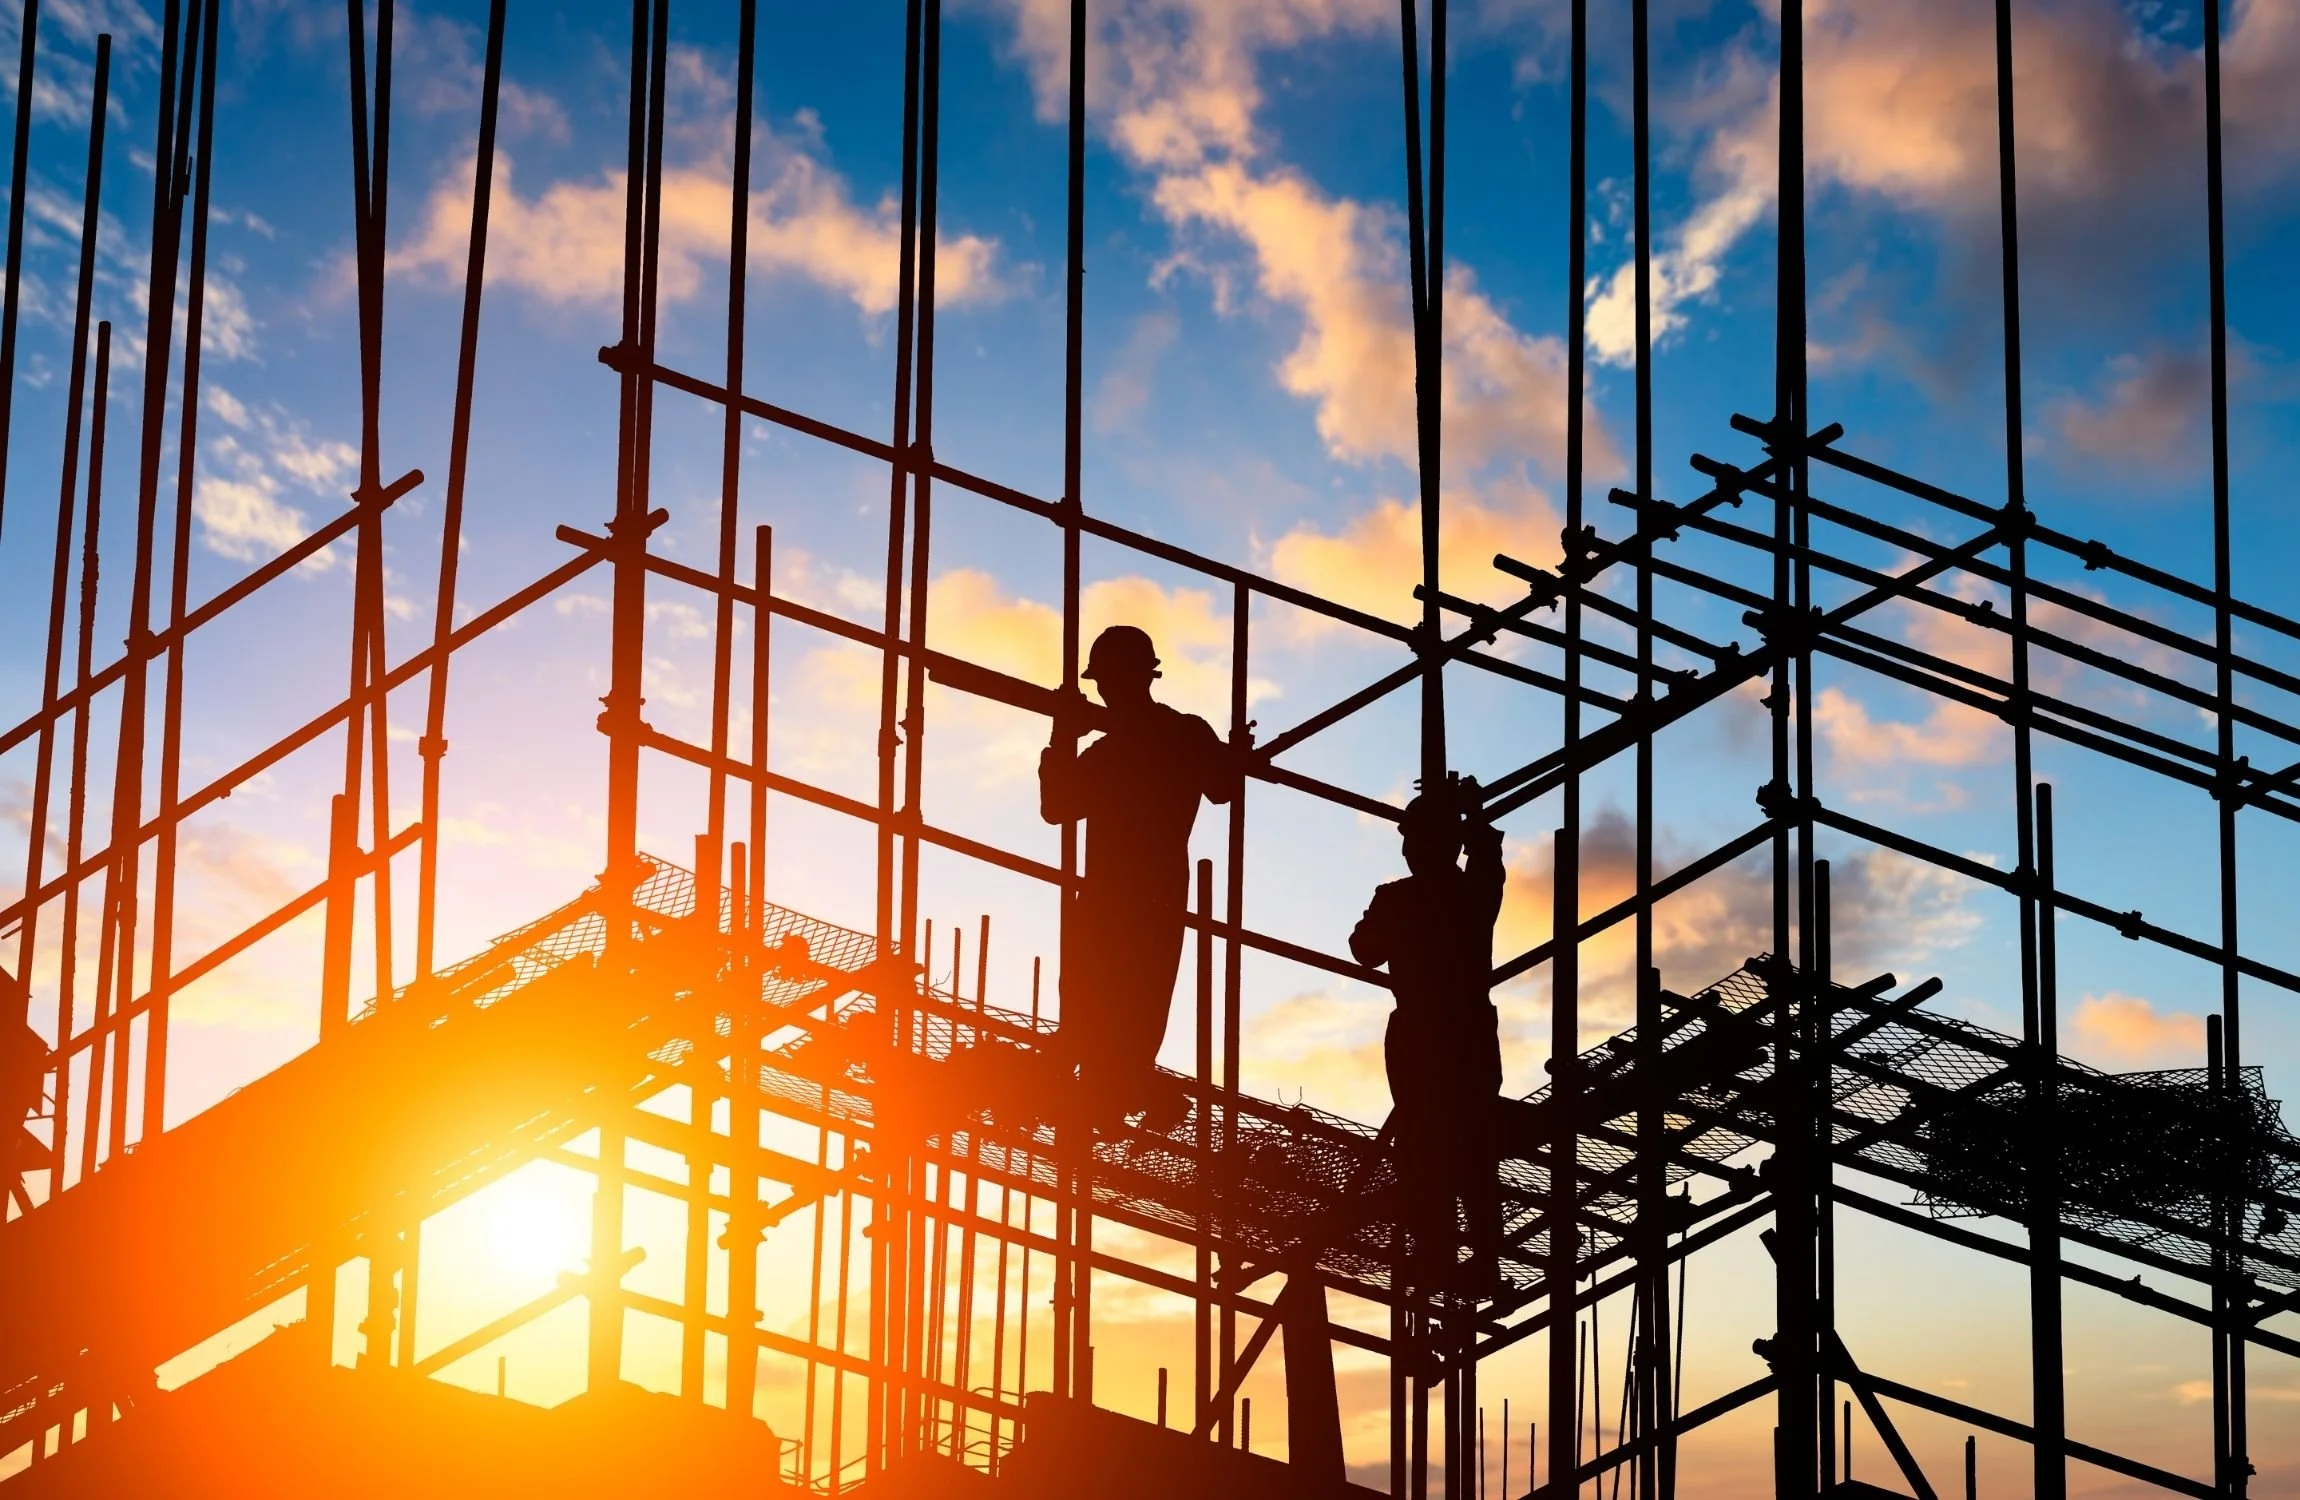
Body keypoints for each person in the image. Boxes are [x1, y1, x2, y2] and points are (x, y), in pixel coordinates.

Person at [1039, 626, 1242, 1128]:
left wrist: (1061, 736)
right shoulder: (1179, 735)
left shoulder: (1125, 748)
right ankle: (1107, 1091)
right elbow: (1222, 787)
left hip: (1124, 897)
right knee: (1119, 1003)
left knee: (1119, 1003)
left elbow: (1056, 805)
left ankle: (1105, 1094)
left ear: (1132, 679)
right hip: (1145, 896)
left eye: (1109, 680)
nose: (1107, 691)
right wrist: (1233, 753)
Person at [1349, 774, 1505, 1301]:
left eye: (1414, 839)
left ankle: (1444, 1257)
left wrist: (1471, 818)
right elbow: (1488, 861)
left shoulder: (1399, 899)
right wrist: (1474, 815)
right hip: (1465, 1034)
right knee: (1468, 1153)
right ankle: (1475, 1259)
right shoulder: (1471, 891)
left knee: (1432, 1151)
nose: (1410, 849)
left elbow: (1364, 948)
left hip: (1426, 1035)